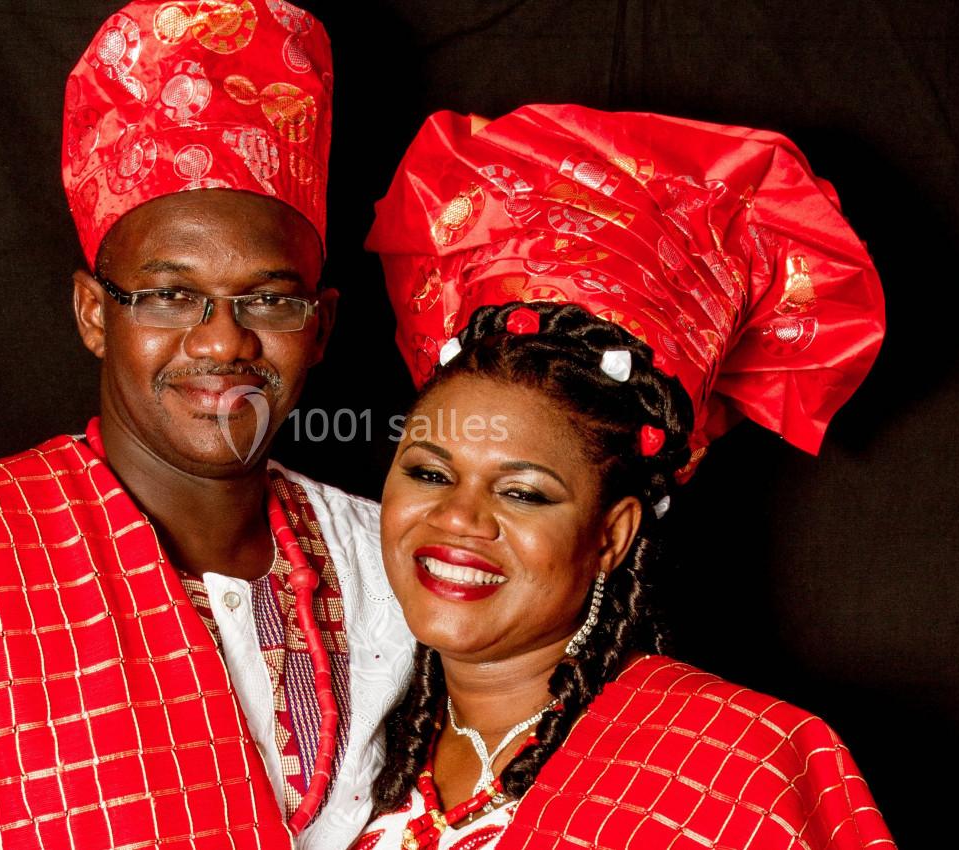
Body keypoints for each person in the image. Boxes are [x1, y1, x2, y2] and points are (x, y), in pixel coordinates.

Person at [0, 3, 413, 849]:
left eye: (267, 298)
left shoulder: (393, 567)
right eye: (171, 294)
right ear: (94, 314)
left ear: (320, 325)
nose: (223, 339)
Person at [354, 105, 894, 848]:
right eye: (428, 472)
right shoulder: (350, 741)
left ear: (612, 534)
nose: (458, 519)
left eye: (521, 491)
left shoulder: (740, 764)